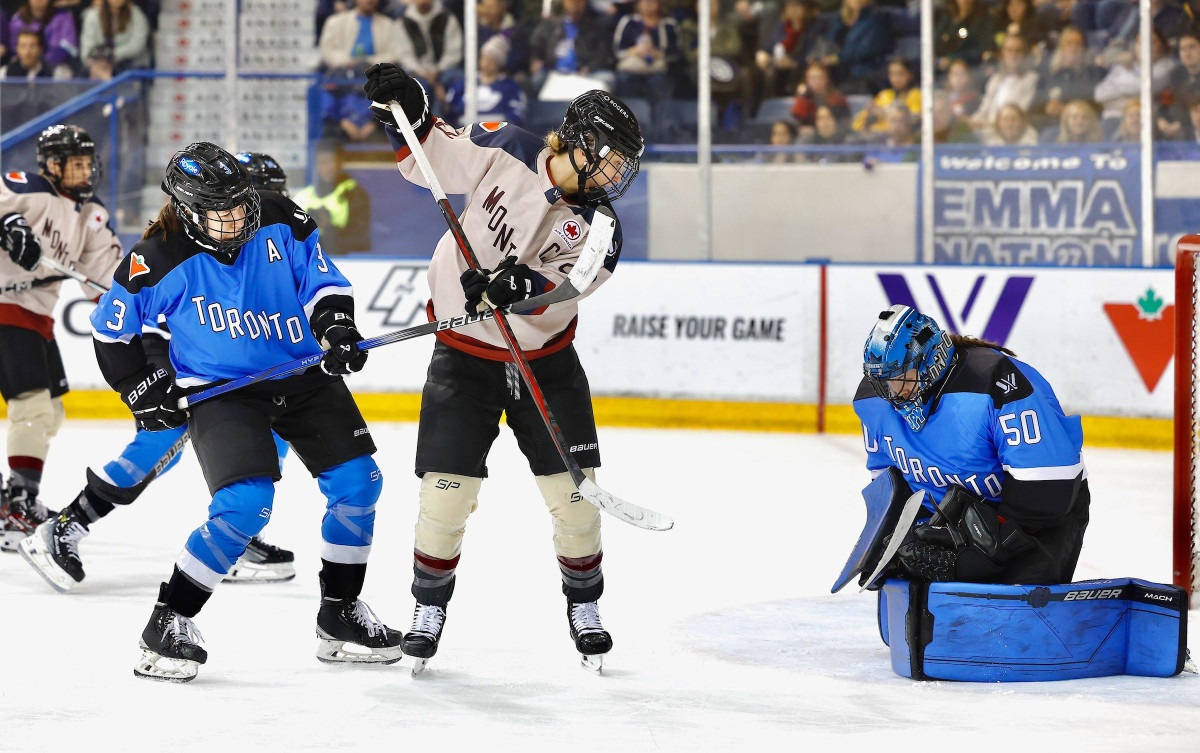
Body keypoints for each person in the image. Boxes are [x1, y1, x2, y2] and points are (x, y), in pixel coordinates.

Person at [362, 62, 645, 670]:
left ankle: (585, 603)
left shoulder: (601, 226)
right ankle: (428, 606)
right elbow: (429, 157)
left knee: (575, 500)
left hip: (546, 364)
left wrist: (522, 284)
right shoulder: (507, 145)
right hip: (463, 361)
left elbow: (570, 287)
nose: (619, 175)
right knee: (445, 497)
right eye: (614, 158)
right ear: (581, 141)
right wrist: (406, 111)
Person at [90, 142, 402, 682]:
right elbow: (110, 329)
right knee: (246, 504)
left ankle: (340, 614)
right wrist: (139, 387)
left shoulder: (279, 215)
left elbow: (322, 281)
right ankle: (169, 620)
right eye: (220, 209)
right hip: (222, 390)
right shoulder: (156, 256)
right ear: (187, 209)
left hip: (302, 372)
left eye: (240, 203)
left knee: (359, 483)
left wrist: (336, 328)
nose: (236, 215)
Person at [18, 152, 300, 593]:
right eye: (267, 195)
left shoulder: (262, 241)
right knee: (159, 446)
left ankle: (237, 535)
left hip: (230, 364)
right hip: (175, 357)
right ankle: (65, 526)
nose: (267, 207)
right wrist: (150, 377)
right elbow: (143, 318)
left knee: (272, 432)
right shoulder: (188, 242)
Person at [855, 304, 1089, 585]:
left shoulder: (996, 382)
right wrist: (891, 542)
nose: (893, 395)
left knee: (1014, 615)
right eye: (883, 383)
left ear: (931, 361)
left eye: (901, 379)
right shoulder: (873, 401)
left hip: (1037, 519)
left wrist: (987, 548)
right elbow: (891, 489)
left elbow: (1050, 485)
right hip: (954, 522)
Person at [0, 125, 122, 550]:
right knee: (32, 409)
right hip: (5, 308)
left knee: (50, 412)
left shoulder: (91, 215)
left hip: (36, 317)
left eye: (89, 163)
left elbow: (106, 279)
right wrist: (10, 225)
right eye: (77, 164)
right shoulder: (28, 191)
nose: (86, 171)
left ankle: (13, 496)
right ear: (53, 165)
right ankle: (18, 505)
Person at [292, 140, 372, 255]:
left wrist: (328, 226)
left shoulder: (354, 194)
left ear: (340, 162)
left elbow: (360, 241)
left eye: (331, 161)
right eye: (322, 162)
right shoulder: (303, 196)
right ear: (316, 165)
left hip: (342, 261)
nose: (328, 168)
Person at [78, 0, 150, 73]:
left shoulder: (137, 15)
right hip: (99, 68)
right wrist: (98, 62)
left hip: (132, 68)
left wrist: (111, 56)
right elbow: (86, 50)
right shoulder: (92, 16)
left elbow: (137, 46)